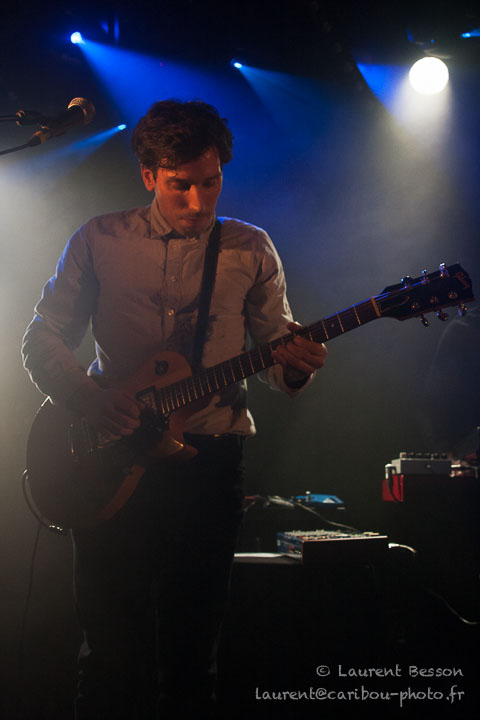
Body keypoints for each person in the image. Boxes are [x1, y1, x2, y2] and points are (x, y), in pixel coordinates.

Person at [22, 99, 327, 719]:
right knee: (109, 655)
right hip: (110, 454)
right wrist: (89, 399)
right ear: (148, 176)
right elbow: (42, 338)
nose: (197, 201)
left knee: (192, 658)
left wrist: (295, 363)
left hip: (208, 463)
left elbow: (276, 356)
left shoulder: (250, 247)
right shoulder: (99, 239)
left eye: (210, 182)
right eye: (179, 185)